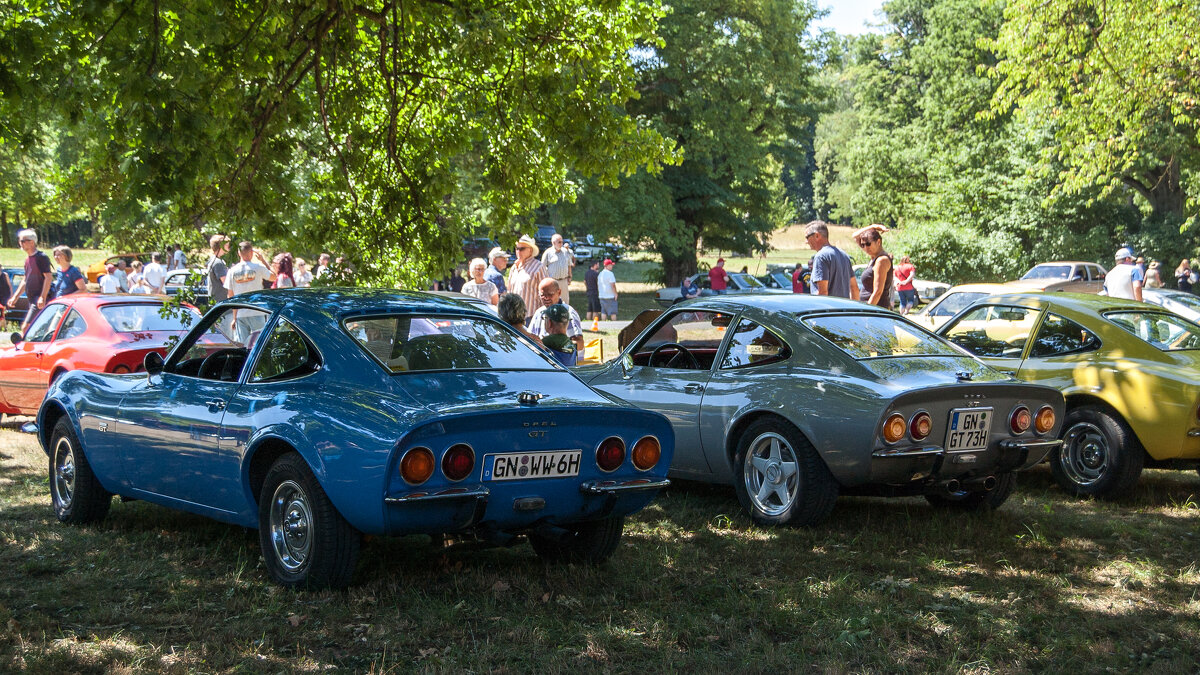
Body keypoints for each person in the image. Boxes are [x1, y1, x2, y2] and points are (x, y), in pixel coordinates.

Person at [8, 229, 54, 331]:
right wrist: (15, 297)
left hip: (38, 300)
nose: (21, 243)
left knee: (26, 327)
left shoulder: (41, 257)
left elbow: (48, 277)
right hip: (31, 299)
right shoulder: (27, 260)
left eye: (23, 241)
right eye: (20, 241)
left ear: (32, 242)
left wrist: (43, 297)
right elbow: (25, 280)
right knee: (34, 329)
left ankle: (23, 347)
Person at [527, 278, 584, 353]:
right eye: (542, 295)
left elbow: (579, 344)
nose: (546, 298)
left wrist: (554, 346)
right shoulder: (539, 313)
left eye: (550, 294)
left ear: (559, 292)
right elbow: (530, 337)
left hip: (564, 362)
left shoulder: (568, 312)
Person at [805, 220, 857, 299]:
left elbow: (823, 293)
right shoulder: (844, 255)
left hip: (828, 310)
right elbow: (854, 288)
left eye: (807, 237)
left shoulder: (821, 256)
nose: (806, 242)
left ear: (817, 236)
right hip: (845, 310)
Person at [854, 225, 893, 309]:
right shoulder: (874, 258)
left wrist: (867, 312)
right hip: (871, 308)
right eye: (863, 245)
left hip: (876, 309)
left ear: (878, 242)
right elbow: (855, 236)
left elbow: (877, 292)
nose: (865, 248)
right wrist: (873, 226)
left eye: (868, 244)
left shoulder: (881, 260)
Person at [507, 234, 546, 317]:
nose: (518, 251)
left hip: (531, 316)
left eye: (522, 249)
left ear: (530, 250)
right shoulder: (514, 267)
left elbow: (545, 293)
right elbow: (509, 291)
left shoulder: (538, 267)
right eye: (517, 248)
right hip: (514, 316)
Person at [541, 234, 575, 305]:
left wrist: (570, 276)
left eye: (562, 242)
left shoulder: (565, 252)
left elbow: (569, 264)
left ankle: (564, 316)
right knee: (552, 301)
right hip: (552, 282)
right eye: (559, 242)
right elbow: (542, 267)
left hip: (563, 281)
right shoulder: (548, 253)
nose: (561, 244)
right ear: (553, 243)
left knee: (565, 302)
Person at [206, 235, 231, 304]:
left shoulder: (214, 260)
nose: (228, 247)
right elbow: (226, 283)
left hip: (216, 302)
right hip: (220, 302)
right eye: (226, 245)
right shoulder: (218, 263)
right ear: (221, 246)